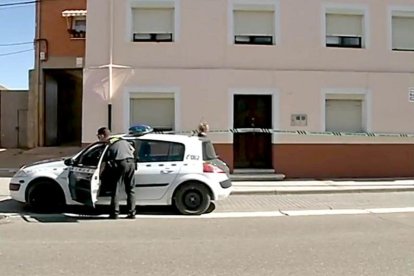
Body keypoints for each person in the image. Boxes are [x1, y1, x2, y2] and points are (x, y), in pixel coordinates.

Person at [97, 127, 136, 219]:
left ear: (102, 135)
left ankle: (114, 213)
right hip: (131, 163)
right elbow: (133, 150)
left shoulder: (108, 144)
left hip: (120, 163)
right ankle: (132, 213)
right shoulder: (122, 140)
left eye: (99, 136)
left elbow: (104, 162)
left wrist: (98, 175)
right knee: (130, 189)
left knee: (116, 189)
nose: (99, 138)